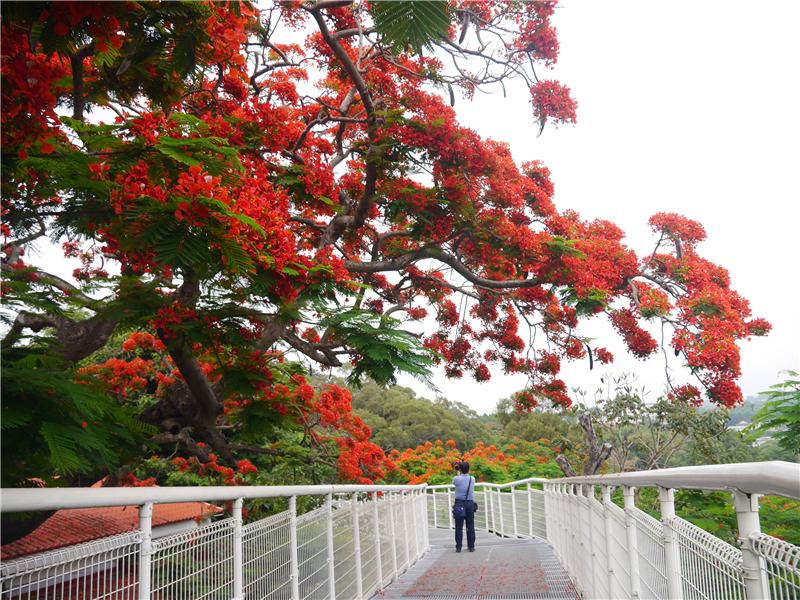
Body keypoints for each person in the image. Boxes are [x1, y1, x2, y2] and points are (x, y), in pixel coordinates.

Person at [452, 460, 476, 552]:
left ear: (460, 469)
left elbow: (456, 482)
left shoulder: (457, 479)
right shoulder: (472, 479)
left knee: (459, 527)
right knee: (470, 526)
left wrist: (458, 472)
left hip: (459, 503)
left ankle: (458, 547)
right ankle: (471, 547)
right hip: (470, 503)